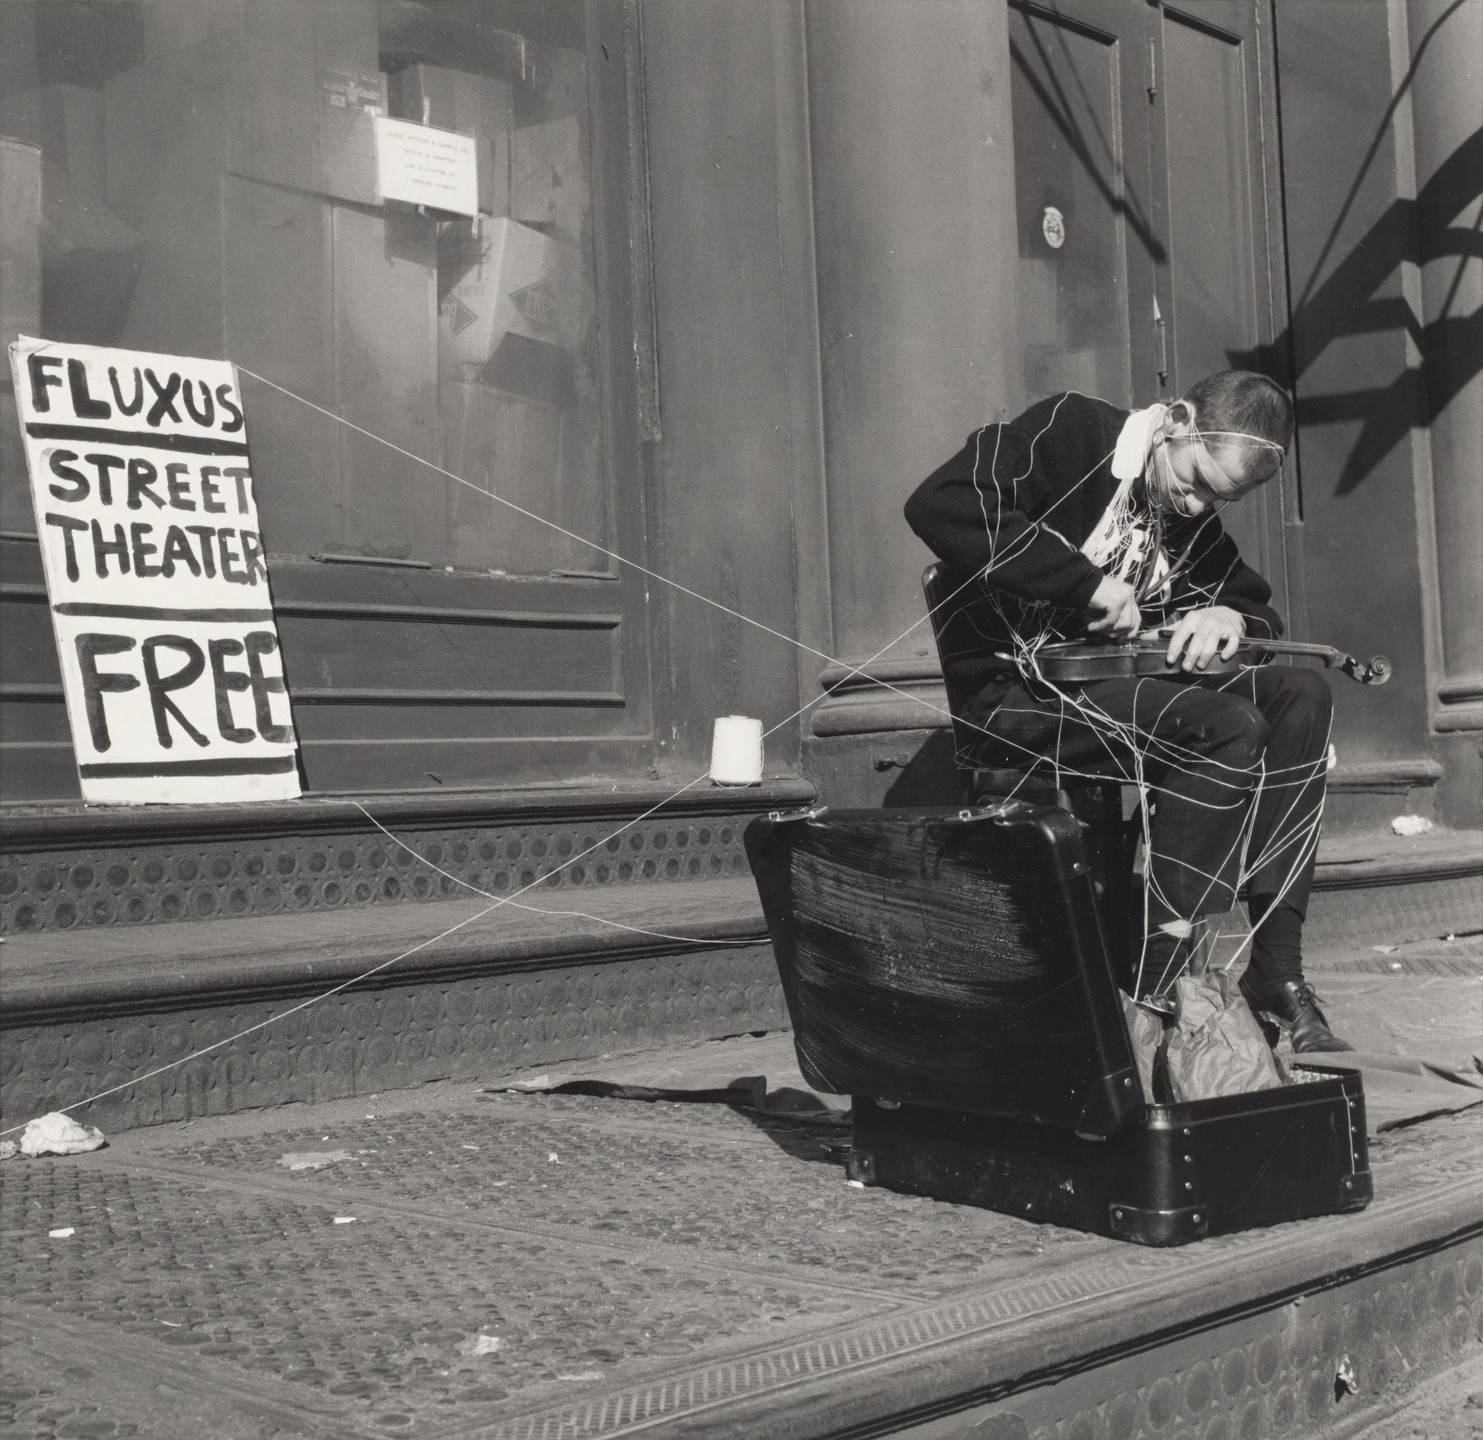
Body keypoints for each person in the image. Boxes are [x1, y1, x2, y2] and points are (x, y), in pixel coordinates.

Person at [904, 371, 1352, 1053]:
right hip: (1016, 696)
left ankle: (1275, 971)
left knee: (1300, 695)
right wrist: (1081, 585)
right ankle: (1158, 984)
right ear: (1173, 420)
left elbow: (1255, 604)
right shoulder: (1075, 431)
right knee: (1226, 727)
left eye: (1219, 498)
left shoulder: (1185, 510)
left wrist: (1227, 613)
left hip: (1116, 695)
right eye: (1196, 482)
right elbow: (939, 502)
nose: (1199, 508)